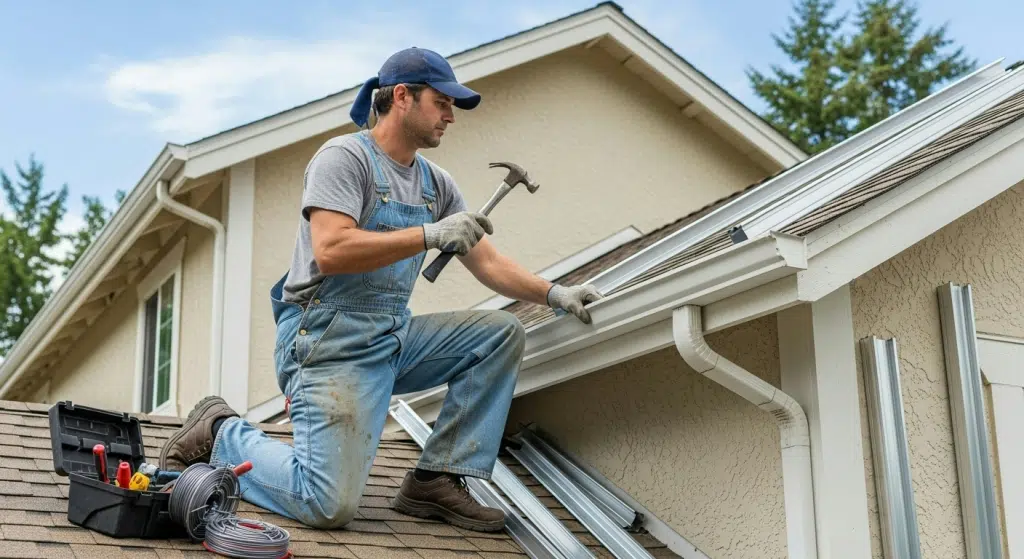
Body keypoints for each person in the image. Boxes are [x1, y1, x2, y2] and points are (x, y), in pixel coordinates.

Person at [158, 47, 601, 533]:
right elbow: (332, 249)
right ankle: (221, 431)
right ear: (401, 97)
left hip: (391, 335)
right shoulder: (344, 158)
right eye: (442, 102)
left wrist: (555, 293)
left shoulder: (437, 184)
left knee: (499, 333)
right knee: (326, 505)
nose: (451, 116)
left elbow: (488, 262)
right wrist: (430, 235)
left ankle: (438, 478)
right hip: (326, 341)